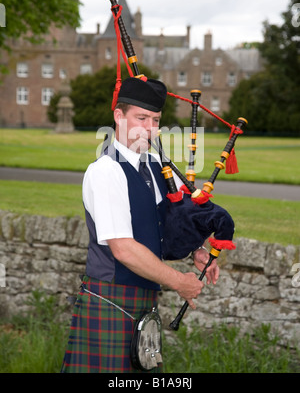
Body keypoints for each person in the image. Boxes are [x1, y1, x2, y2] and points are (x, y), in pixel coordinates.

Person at [61, 77, 219, 373]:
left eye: (156, 120)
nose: (149, 128)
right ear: (118, 116)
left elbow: (163, 226)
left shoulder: (154, 165)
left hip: (144, 301)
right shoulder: (106, 171)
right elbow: (123, 249)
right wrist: (178, 281)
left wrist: (195, 250)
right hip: (110, 300)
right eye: (141, 117)